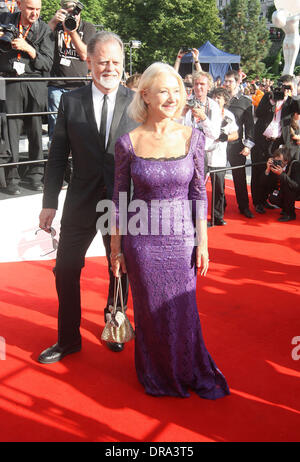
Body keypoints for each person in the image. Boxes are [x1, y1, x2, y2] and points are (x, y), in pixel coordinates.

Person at [110, 62, 230, 399]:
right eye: (164, 90)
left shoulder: (194, 137)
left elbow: (197, 193)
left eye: (177, 91)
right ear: (144, 95)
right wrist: (116, 250)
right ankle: (158, 373)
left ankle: (187, 367)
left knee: (183, 308)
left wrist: (203, 242)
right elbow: (118, 200)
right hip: (143, 241)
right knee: (149, 310)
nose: (172, 97)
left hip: (182, 240)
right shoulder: (128, 143)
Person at [37, 31, 138, 364]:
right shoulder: (71, 101)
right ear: (89, 61)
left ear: (122, 64)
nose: (109, 67)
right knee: (65, 269)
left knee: (118, 269)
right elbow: (57, 154)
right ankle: (67, 339)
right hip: (80, 199)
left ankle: (115, 324)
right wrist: (48, 202)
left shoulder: (137, 102)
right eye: (102, 61)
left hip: (122, 201)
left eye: (115, 62)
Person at [0, 0, 54, 195]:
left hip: (35, 82)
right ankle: (11, 178)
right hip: (12, 81)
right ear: (20, 5)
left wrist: (28, 49)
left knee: (35, 131)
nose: (35, 13)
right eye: (31, 8)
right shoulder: (5, 20)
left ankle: (35, 176)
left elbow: (47, 63)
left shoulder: (45, 29)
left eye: (38, 9)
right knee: (11, 132)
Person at [47, 1, 96, 142]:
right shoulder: (56, 26)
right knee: (56, 129)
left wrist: (72, 31)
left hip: (78, 85)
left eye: (75, 12)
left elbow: (85, 55)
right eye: (68, 12)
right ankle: (55, 162)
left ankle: (76, 161)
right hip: (56, 84)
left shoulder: (87, 27)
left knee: (78, 127)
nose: (73, 15)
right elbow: (40, 40)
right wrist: (53, 21)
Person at [251, 75, 300, 213]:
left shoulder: (291, 101)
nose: (285, 90)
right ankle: (257, 202)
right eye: (284, 86)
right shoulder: (269, 96)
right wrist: (272, 101)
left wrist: (294, 93)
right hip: (261, 141)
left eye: (288, 87)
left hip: (277, 143)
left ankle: (266, 199)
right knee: (258, 171)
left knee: (272, 172)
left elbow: (299, 110)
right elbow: (258, 113)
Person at [224, 70, 255, 218]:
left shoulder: (245, 101)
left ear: (237, 82)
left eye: (230, 81)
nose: (227, 83)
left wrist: (248, 146)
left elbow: (250, 126)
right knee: (218, 178)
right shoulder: (219, 98)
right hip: (219, 144)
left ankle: (244, 207)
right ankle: (219, 207)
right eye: (226, 81)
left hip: (236, 145)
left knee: (240, 177)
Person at [207, 87, 239, 226]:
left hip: (219, 157)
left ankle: (217, 217)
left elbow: (236, 134)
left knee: (219, 189)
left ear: (225, 100)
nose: (216, 99)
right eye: (214, 97)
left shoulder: (229, 115)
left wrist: (225, 137)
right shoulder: (205, 114)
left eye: (219, 97)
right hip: (203, 155)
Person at [182, 70, 222, 161]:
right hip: (186, 150)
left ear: (209, 87)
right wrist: (182, 114)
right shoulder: (186, 102)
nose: (198, 87)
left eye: (202, 84)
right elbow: (176, 128)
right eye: (196, 84)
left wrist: (203, 118)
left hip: (204, 153)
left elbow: (215, 135)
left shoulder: (213, 106)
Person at [261, 146, 300, 222]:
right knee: (272, 197)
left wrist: (281, 174)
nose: (277, 163)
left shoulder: (295, 165)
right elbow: (262, 183)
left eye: (279, 161)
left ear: (286, 161)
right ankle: (286, 208)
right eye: (275, 160)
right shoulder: (274, 167)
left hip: (296, 192)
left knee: (287, 188)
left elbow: (296, 186)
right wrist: (268, 170)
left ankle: (290, 214)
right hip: (282, 191)